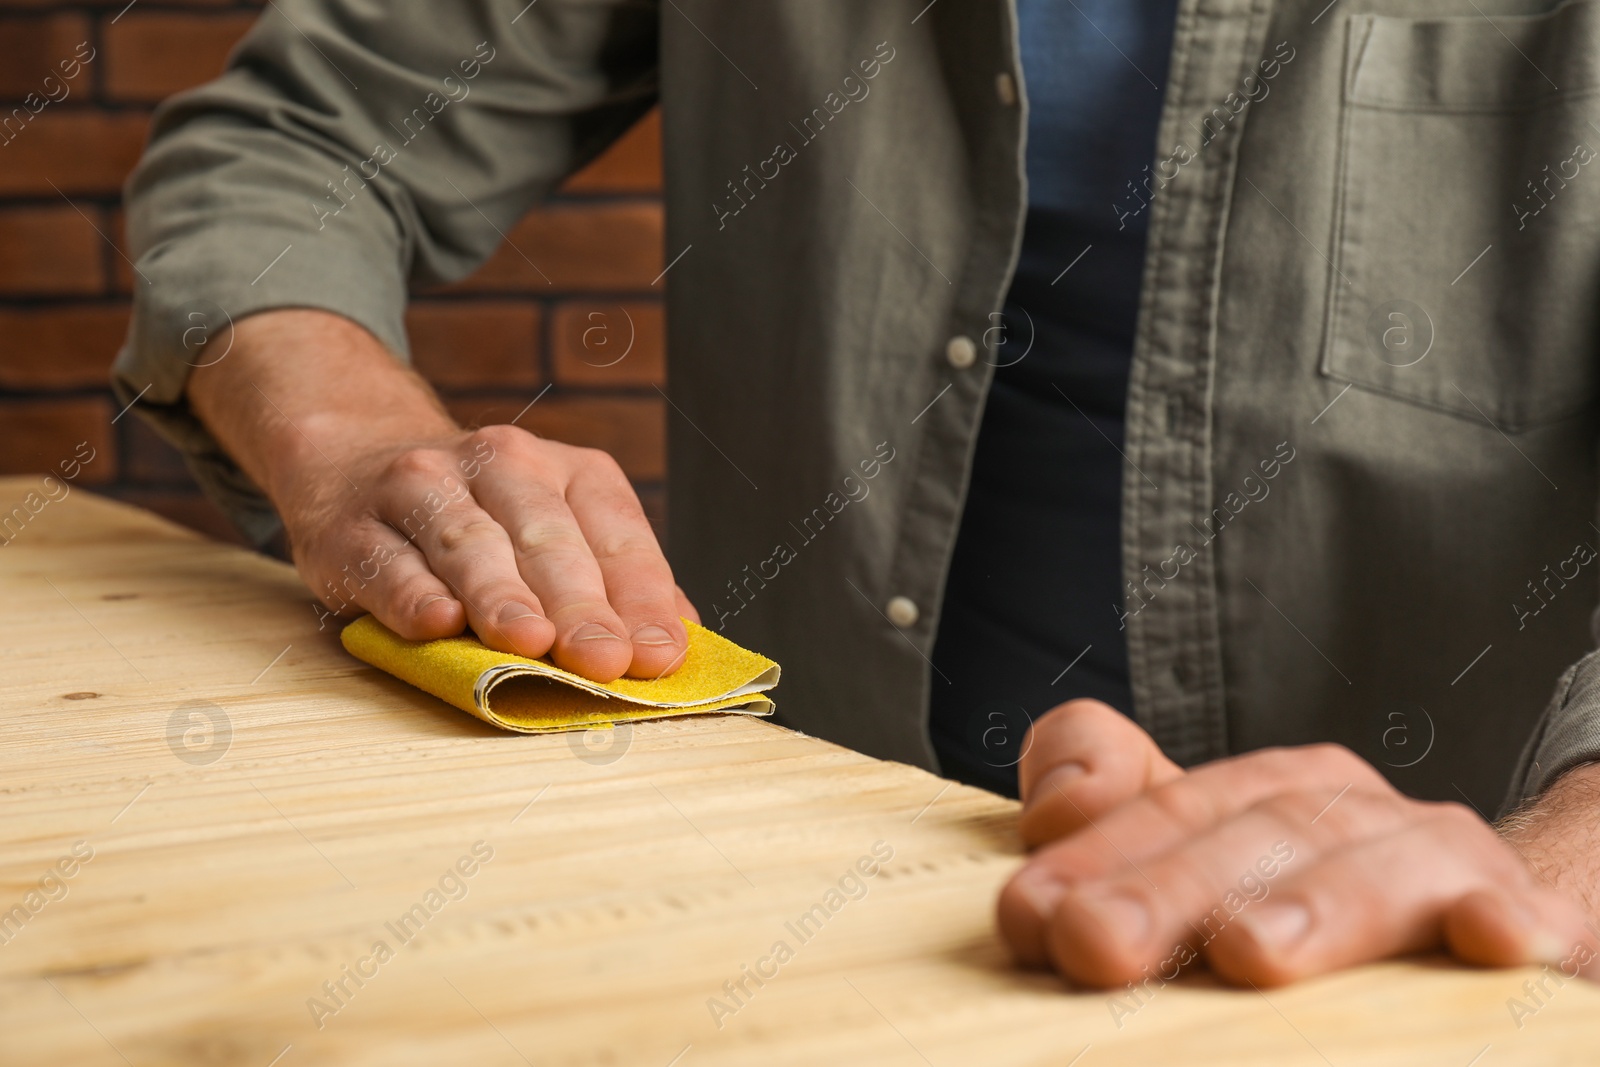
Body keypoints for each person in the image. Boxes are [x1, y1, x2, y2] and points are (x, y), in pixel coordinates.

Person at [115, 0, 1600, 990]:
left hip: (1431, 986)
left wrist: (1554, 875)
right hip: (798, 949)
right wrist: (355, 443)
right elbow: (289, 147)